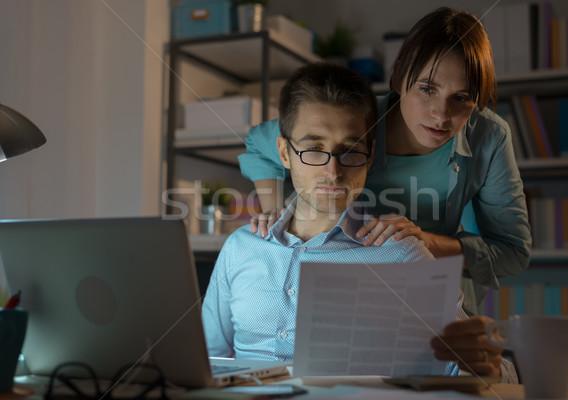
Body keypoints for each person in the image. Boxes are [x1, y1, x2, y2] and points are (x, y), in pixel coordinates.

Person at [202, 62, 517, 382]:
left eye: (350, 150)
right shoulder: (240, 247)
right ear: (284, 153)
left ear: (370, 153)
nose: (333, 172)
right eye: (313, 149)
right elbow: (205, 363)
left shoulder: (400, 254)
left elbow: (491, 375)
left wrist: (484, 366)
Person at [237, 7, 531, 315]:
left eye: (462, 97)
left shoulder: (490, 136)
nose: (441, 115)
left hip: (428, 289)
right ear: (399, 75)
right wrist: (274, 213)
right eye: (427, 89)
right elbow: (259, 144)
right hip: (334, 284)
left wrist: (424, 241)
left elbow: (513, 252)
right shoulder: (351, 120)